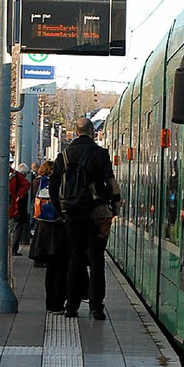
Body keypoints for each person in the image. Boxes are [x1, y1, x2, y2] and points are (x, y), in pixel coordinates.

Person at [49, 117, 121, 320]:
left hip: (72, 216)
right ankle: (96, 307)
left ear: (76, 131)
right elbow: (112, 184)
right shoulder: (100, 154)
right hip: (98, 215)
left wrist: (61, 211)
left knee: (75, 259)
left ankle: (71, 306)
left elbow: (54, 188)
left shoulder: (63, 156)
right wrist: (114, 208)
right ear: (91, 131)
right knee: (96, 259)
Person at [29, 161, 69, 313]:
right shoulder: (63, 184)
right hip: (60, 231)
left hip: (44, 230)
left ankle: (49, 303)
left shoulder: (41, 182)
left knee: (51, 270)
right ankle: (58, 304)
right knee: (61, 269)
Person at [9, 160, 31, 256]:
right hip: (16, 210)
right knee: (16, 230)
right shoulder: (17, 179)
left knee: (13, 229)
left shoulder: (14, 177)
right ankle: (13, 249)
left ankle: (12, 249)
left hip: (14, 209)